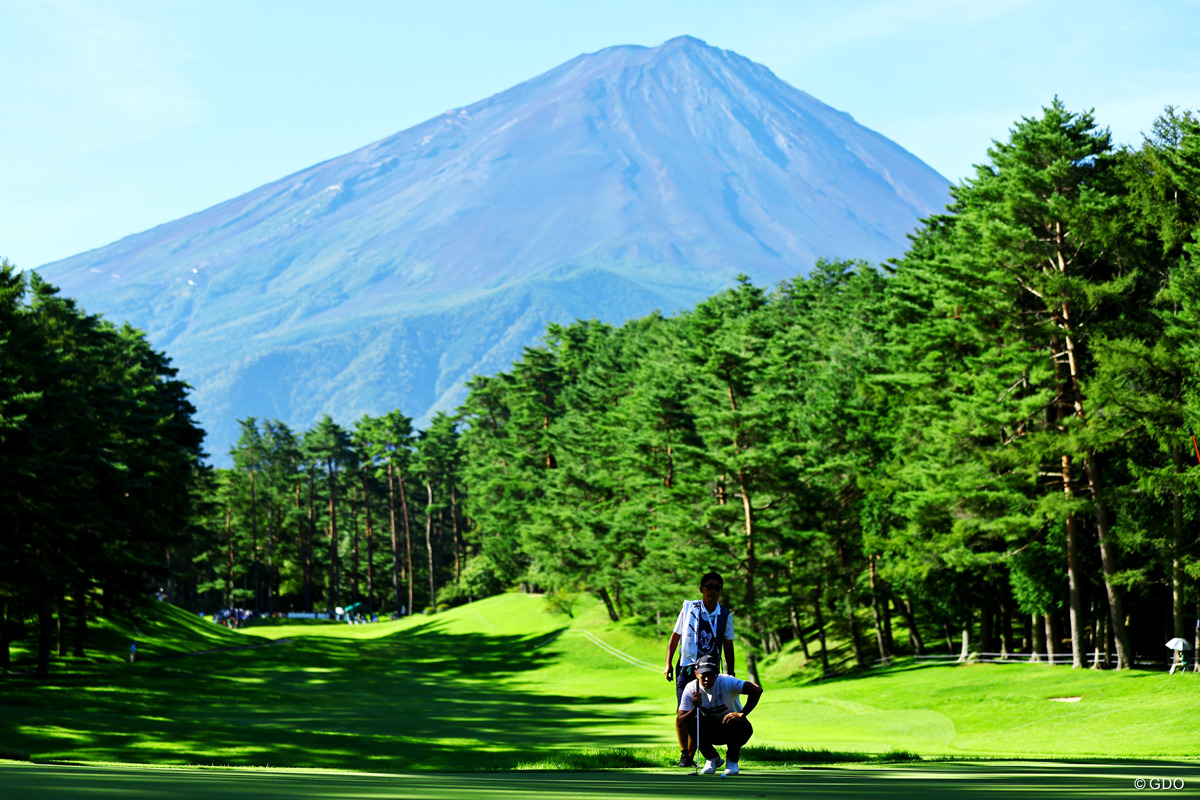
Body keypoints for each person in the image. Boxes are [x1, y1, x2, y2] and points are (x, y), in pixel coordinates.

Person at [664, 571, 735, 767]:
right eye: (709, 587)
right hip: (687, 668)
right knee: (683, 712)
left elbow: (728, 644)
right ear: (701, 589)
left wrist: (731, 670)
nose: (712, 591)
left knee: (701, 715)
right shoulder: (689, 608)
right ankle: (684, 754)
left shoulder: (725, 614)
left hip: (709, 672)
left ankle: (699, 754)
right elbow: (675, 636)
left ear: (721, 591)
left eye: (717, 588)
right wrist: (668, 663)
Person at [678, 655, 762, 775]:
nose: (706, 679)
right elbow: (681, 723)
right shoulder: (691, 688)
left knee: (733, 720)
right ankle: (712, 759)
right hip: (712, 732)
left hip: (738, 730)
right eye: (703, 675)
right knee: (693, 722)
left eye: (710, 675)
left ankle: (732, 761)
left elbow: (757, 690)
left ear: (716, 674)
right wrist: (694, 708)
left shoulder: (727, 681)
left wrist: (742, 714)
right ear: (696, 674)